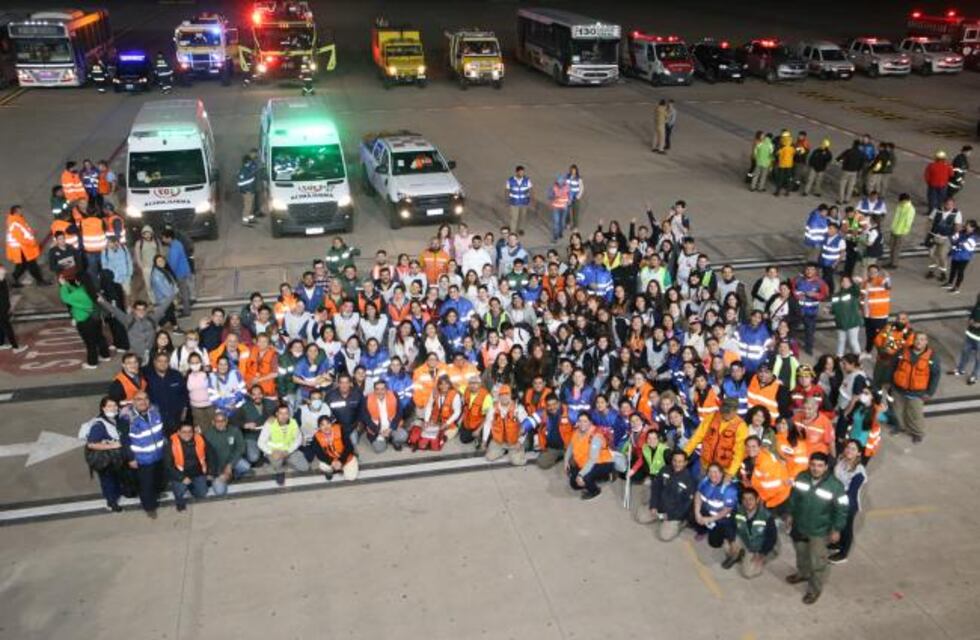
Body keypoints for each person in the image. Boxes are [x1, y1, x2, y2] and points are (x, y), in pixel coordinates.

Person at [786, 452, 849, 605]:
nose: (815, 468)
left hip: (819, 531)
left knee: (817, 562)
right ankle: (803, 574)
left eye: (820, 466)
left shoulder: (835, 486)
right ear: (809, 465)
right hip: (800, 525)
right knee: (801, 553)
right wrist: (790, 514)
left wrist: (836, 529)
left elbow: (842, 510)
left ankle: (814, 590)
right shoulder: (801, 477)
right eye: (813, 465)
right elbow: (794, 497)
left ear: (826, 467)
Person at [891, 332, 941, 444]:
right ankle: (901, 427)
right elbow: (893, 367)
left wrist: (930, 392)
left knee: (915, 414)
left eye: (922, 339)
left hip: (917, 392)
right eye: (917, 339)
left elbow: (935, 376)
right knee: (898, 411)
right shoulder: (902, 352)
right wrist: (891, 383)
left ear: (926, 342)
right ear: (913, 341)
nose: (919, 342)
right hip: (899, 389)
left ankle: (917, 433)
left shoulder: (932, 357)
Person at [122, 391, 166, 518]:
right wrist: (131, 458)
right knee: (146, 485)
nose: (143, 401)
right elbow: (125, 441)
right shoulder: (127, 418)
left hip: (158, 455)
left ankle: (155, 496)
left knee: (157, 480)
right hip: (143, 459)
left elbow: (161, 430)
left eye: (146, 398)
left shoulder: (155, 412)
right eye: (139, 399)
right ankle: (149, 507)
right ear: (133, 402)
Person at [636, 449, 696, 541]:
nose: (677, 464)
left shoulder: (689, 480)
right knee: (640, 518)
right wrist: (653, 505)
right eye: (675, 460)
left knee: (665, 536)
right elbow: (656, 488)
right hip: (659, 506)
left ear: (685, 463)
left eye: (680, 462)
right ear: (671, 460)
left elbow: (686, 505)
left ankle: (681, 523)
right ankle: (658, 516)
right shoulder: (665, 469)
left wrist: (671, 515)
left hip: (673, 513)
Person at [80, 397, 127, 512]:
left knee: (114, 478)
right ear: (103, 408)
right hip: (104, 460)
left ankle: (116, 495)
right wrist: (113, 445)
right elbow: (91, 444)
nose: (113, 408)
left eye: (115, 405)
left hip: (113, 458)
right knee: (108, 480)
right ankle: (111, 503)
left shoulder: (115, 419)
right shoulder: (99, 425)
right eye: (109, 406)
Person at [683, 396, 748, 479]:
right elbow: (697, 437)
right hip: (704, 465)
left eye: (728, 412)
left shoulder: (741, 427)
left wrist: (730, 473)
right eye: (724, 411)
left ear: (735, 411)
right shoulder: (712, 417)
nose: (725, 414)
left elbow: (739, 454)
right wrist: (684, 454)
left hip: (723, 471)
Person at [722, 488, 777, 578]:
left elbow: (772, 537)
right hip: (744, 540)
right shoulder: (737, 511)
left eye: (751, 499)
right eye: (745, 499)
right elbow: (729, 525)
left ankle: (760, 560)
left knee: (748, 573)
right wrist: (732, 541)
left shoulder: (767, 516)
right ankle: (736, 556)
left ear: (757, 500)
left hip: (757, 547)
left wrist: (762, 554)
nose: (748, 502)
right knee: (727, 544)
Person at [59, 272, 110, 369]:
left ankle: (92, 363)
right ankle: (105, 355)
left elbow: (65, 298)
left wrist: (63, 286)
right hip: (95, 318)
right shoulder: (90, 290)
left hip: (84, 321)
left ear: (78, 281)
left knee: (90, 343)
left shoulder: (79, 293)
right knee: (99, 337)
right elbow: (75, 291)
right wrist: (66, 284)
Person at [564, 413, 615, 499]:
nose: (582, 424)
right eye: (580, 421)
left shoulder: (596, 436)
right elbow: (570, 447)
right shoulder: (576, 431)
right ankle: (599, 478)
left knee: (584, 478)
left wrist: (581, 475)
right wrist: (566, 461)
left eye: (585, 421)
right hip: (585, 462)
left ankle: (595, 491)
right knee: (574, 484)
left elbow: (592, 460)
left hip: (602, 462)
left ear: (590, 422)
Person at [257, 403, 308, 485]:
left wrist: (288, 451)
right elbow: (260, 442)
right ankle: (279, 470)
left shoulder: (293, 422)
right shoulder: (270, 424)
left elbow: (298, 439)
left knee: (304, 467)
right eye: (281, 413)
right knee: (277, 463)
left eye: (286, 413)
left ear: (289, 414)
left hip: (288, 450)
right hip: (274, 451)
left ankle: (283, 462)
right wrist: (271, 452)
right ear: (276, 414)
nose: (284, 416)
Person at [692, 462, 739, 550]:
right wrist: (697, 513)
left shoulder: (729, 489)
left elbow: (727, 510)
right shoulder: (705, 480)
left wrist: (710, 519)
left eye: (716, 472)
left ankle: (728, 538)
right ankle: (703, 530)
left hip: (722, 517)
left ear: (721, 473)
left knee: (715, 543)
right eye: (710, 472)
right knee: (693, 514)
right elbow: (698, 494)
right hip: (707, 510)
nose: (712, 475)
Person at [204, 411, 251, 496]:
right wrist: (217, 473)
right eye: (217, 421)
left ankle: (232, 475)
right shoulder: (207, 435)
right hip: (216, 468)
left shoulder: (234, 431)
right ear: (213, 422)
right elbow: (205, 456)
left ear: (226, 421)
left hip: (230, 461)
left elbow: (240, 448)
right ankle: (225, 478)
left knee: (246, 466)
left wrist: (230, 465)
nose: (220, 423)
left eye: (223, 421)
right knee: (220, 492)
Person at [483, 384, 532, 466]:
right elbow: (487, 425)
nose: (504, 397)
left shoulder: (518, 408)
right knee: (489, 457)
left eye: (507, 394)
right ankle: (503, 450)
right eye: (502, 395)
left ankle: (514, 451)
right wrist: (484, 440)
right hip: (499, 441)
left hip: (514, 441)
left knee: (517, 462)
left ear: (510, 395)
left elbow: (526, 426)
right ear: (498, 396)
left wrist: (520, 442)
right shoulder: (493, 408)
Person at [165, 422, 208, 511]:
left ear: (193, 432)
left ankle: (191, 487)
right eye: (184, 432)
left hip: (197, 472)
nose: (187, 434)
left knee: (202, 494)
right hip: (180, 474)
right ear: (178, 432)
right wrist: (182, 478)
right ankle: (179, 501)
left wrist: (210, 472)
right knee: (179, 490)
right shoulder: (171, 444)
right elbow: (168, 466)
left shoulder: (200, 439)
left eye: (189, 431)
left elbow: (210, 455)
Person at [5, 206, 50, 287]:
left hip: (22, 249)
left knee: (22, 266)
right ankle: (40, 281)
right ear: (16, 212)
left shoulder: (18, 220)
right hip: (22, 249)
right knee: (32, 265)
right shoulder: (15, 222)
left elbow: (24, 230)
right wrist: (32, 243)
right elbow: (20, 238)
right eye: (20, 211)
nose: (22, 212)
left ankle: (12, 281)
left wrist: (31, 233)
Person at [361, 379, 407, 453]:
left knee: (403, 436)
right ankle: (385, 439)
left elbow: (399, 413)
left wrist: (391, 428)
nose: (380, 392)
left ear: (386, 389)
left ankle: (392, 439)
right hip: (377, 430)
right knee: (379, 449)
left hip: (391, 427)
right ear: (374, 390)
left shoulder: (394, 395)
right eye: (377, 389)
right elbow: (366, 419)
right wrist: (379, 431)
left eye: (382, 389)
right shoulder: (366, 399)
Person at [311, 416, 359, 481]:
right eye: (322, 425)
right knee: (322, 465)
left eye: (328, 423)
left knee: (350, 477)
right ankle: (331, 471)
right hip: (331, 459)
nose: (326, 427)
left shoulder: (340, 429)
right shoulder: (316, 437)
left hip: (345, 457)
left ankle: (343, 467)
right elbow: (320, 454)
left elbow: (349, 447)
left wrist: (341, 461)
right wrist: (332, 462)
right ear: (319, 427)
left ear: (331, 424)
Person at [926, 197, 962, 281]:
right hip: (934, 236)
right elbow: (930, 220)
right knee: (931, 254)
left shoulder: (957, 213)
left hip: (946, 238)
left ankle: (943, 273)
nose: (950, 206)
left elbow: (957, 226)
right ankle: (931, 271)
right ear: (944, 204)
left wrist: (955, 239)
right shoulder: (937, 210)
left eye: (952, 205)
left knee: (942, 255)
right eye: (948, 204)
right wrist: (928, 232)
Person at [160, 228, 193, 317]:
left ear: (169, 238)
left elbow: (173, 263)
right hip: (184, 271)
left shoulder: (174, 247)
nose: (162, 239)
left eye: (163, 238)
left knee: (183, 292)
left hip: (180, 273)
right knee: (185, 291)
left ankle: (186, 311)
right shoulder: (177, 243)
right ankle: (186, 307)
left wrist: (169, 272)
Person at [830, 275, 863, 357]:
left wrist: (855, 283)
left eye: (847, 281)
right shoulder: (835, 296)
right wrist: (829, 310)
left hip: (852, 323)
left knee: (853, 342)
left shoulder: (853, 293)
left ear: (851, 284)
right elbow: (834, 309)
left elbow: (857, 291)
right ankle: (839, 357)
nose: (845, 283)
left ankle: (857, 358)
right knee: (841, 341)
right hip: (840, 323)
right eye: (843, 281)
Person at [945, 219, 977, 294]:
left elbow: (967, 246)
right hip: (956, 254)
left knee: (960, 272)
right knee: (953, 270)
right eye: (966, 225)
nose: (966, 227)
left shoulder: (974, 237)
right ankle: (949, 283)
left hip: (964, 257)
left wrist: (958, 243)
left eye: (968, 226)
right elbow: (953, 238)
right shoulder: (962, 232)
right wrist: (954, 239)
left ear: (973, 228)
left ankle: (957, 288)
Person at [0, 264, 26, 353]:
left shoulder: (2, 279)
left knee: (1, 325)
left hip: (3, 306)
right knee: (6, 326)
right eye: (2, 270)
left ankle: (1, 344)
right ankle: (16, 347)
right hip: (1, 308)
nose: (4, 271)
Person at [886, 193, 915, 268]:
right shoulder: (900, 206)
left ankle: (894, 264)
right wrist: (892, 227)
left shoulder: (910, 209)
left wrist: (904, 231)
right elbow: (895, 218)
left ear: (905, 200)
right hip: (894, 229)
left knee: (896, 249)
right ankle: (891, 261)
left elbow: (908, 222)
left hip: (901, 232)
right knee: (891, 247)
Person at [835, 140, 865, 205]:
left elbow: (839, 158)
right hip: (854, 172)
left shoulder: (849, 151)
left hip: (846, 170)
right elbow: (862, 163)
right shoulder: (861, 153)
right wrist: (858, 169)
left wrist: (839, 161)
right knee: (851, 186)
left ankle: (840, 200)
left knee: (842, 185)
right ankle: (847, 199)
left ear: (853, 144)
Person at [505, 166, 532, 236]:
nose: (522, 174)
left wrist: (530, 199)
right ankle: (513, 232)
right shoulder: (510, 180)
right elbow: (507, 190)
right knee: (514, 218)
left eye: (523, 172)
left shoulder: (527, 180)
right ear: (516, 172)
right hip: (514, 202)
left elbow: (530, 190)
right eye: (520, 172)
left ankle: (520, 229)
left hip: (524, 202)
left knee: (522, 217)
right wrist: (507, 199)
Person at [237, 150, 259, 226]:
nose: (250, 162)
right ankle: (245, 221)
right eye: (249, 161)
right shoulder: (243, 170)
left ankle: (250, 218)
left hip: (251, 190)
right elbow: (240, 183)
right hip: (247, 191)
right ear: (247, 162)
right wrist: (251, 179)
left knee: (251, 205)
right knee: (247, 206)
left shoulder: (248, 169)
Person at [548, 174, 570, 243]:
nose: (560, 184)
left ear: (563, 181)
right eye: (558, 182)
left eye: (561, 182)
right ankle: (555, 236)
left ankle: (560, 232)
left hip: (564, 207)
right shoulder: (553, 187)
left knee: (562, 222)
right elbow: (549, 196)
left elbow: (570, 195)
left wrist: (569, 200)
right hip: (556, 207)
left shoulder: (567, 187)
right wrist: (554, 196)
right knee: (556, 222)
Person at [565, 164, 584, 230]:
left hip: (575, 198)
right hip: (568, 198)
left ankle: (575, 226)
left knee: (575, 213)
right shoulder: (567, 177)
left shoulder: (578, 178)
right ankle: (568, 223)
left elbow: (581, 188)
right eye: (571, 170)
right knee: (567, 212)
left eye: (574, 170)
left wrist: (578, 196)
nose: (573, 172)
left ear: (576, 171)